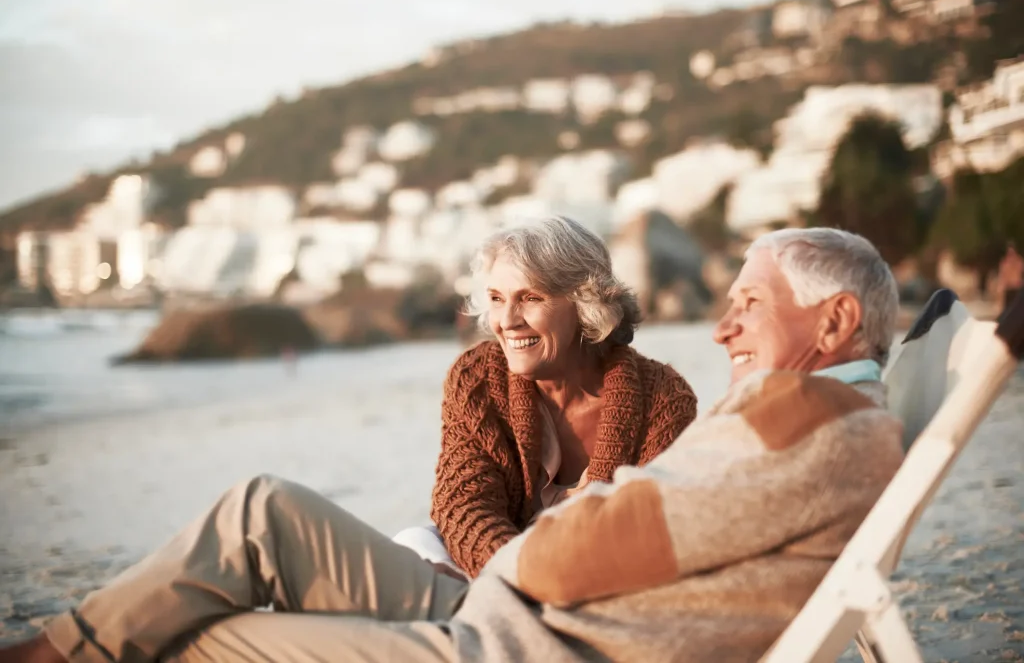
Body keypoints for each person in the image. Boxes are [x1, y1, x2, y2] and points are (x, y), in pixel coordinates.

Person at [1, 227, 906, 663]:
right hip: (508, 605)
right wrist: (547, 534)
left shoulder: (795, 420)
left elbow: (600, 545)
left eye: (748, 304)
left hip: (522, 639)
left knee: (209, 639)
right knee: (261, 509)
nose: (724, 328)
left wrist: (547, 538)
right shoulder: (832, 425)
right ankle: (52, 650)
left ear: (836, 319)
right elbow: (506, 511)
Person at [394, 216, 698, 577]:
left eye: (531, 298)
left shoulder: (662, 397)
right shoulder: (477, 377)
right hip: (503, 573)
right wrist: (522, 579)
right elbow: (463, 507)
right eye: (496, 298)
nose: (507, 320)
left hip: (597, 581)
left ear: (587, 304)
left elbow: (649, 529)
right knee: (411, 543)